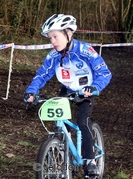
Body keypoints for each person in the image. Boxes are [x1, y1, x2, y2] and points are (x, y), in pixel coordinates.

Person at [24, 14, 112, 176]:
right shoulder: (54, 55)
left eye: (55, 36)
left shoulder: (85, 50)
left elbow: (104, 73)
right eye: (50, 38)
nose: (52, 41)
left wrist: (95, 87)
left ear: (68, 33)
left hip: (86, 89)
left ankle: (90, 161)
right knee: (59, 122)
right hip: (68, 88)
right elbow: (42, 75)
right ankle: (61, 145)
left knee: (82, 121)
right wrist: (31, 91)